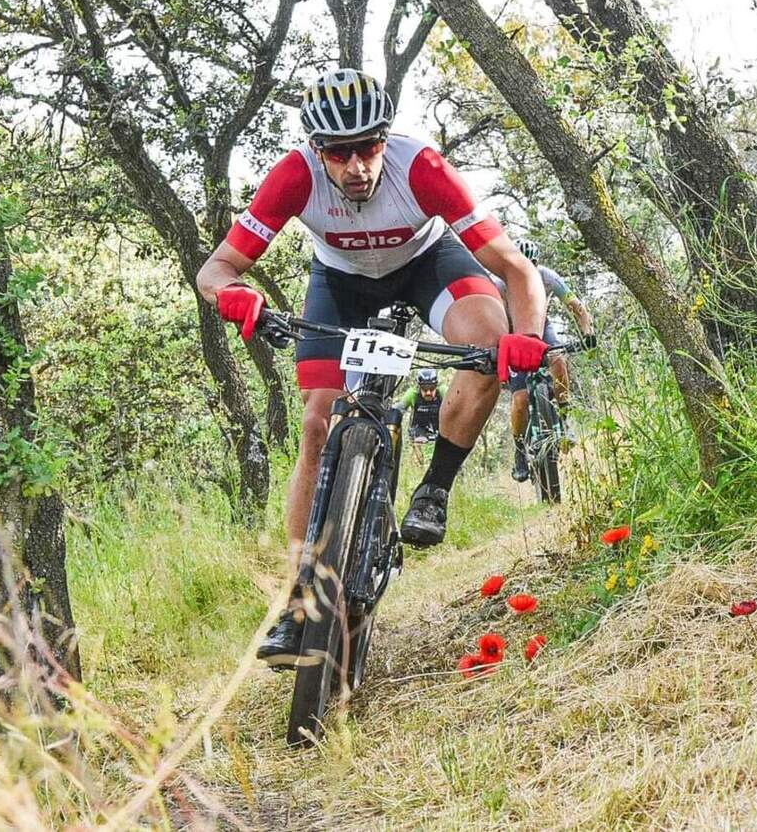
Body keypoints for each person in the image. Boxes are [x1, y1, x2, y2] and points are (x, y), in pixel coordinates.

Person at [196, 68, 547, 663]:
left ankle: (434, 488)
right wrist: (236, 297)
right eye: (339, 152)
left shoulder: (422, 169)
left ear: (386, 137)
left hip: (427, 262)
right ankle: (300, 601)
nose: (357, 165)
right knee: (316, 423)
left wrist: (528, 340)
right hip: (340, 281)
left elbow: (516, 269)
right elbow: (215, 271)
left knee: (488, 345)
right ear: (316, 149)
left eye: (369, 146)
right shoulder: (294, 178)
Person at [490, 239, 595, 482]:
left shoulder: (547, 276)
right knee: (520, 399)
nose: (527, 268)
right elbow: (493, 320)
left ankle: (565, 417)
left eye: (532, 264)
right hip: (513, 333)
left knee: (558, 358)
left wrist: (588, 333)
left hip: (540, 328)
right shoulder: (500, 284)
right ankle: (519, 451)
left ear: (537, 263)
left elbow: (576, 306)